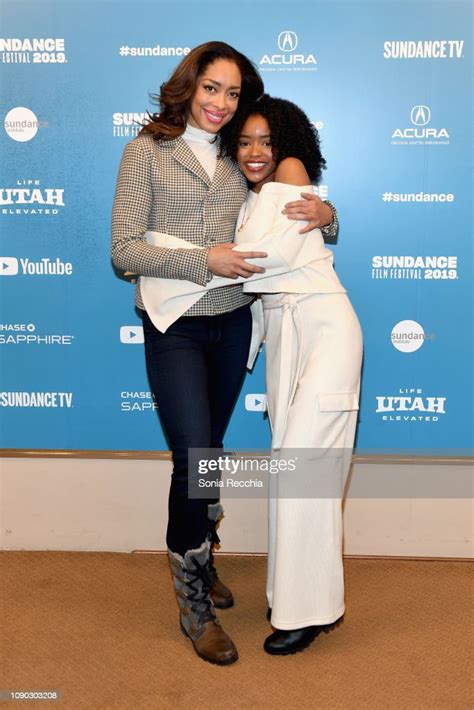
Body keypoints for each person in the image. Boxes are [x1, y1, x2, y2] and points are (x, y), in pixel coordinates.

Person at [111, 42, 339, 666]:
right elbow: (124, 250)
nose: (221, 104)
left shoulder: (243, 151)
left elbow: (291, 216)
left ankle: (202, 558)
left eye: (233, 93)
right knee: (194, 457)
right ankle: (193, 599)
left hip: (235, 322)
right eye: (212, 88)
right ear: (188, 86)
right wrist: (201, 259)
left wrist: (329, 212)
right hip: (176, 323)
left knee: (208, 456)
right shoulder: (145, 151)